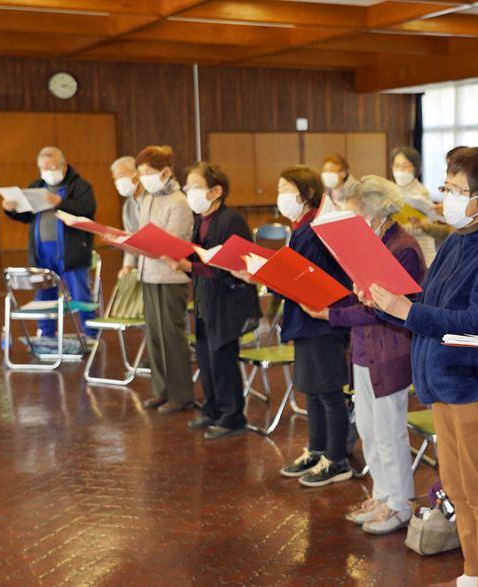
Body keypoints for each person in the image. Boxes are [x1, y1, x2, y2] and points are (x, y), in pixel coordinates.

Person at [368, 147, 478, 586]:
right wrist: (386, 304)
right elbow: (425, 306)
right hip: (445, 384)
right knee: (459, 492)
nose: (447, 197)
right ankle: (472, 574)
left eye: (457, 190)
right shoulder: (457, 241)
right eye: (446, 187)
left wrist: (406, 312)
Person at [301, 175, 426, 533]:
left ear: (374, 211)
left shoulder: (403, 247)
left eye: (357, 214)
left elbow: (386, 309)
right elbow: (363, 298)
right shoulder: (373, 242)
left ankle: (400, 504)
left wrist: (331, 314)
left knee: (389, 431)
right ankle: (382, 494)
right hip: (364, 347)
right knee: (370, 430)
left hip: (389, 351)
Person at [272, 166, 354, 487]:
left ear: (306, 193)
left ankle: (337, 458)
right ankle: (317, 449)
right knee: (312, 391)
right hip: (305, 321)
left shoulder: (317, 230)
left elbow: (312, 278)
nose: (280, 195)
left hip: (323, 322)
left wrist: (275, 276)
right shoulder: (300, 227)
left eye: (285, 188)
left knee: (330, 393)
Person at [168, 162, 261, 440]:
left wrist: (190, 267)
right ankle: (212, 409)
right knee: (206, 358)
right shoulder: (200, 219)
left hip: (228, 300)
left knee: (222, 358)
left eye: (194, 187)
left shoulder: (231, 220)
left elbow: (229, 265)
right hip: (206, 299)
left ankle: (232, 416)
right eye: (187, 187)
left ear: (216, 190)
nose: (189, 192)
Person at [3, 146, 96, 336]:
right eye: (44, 168)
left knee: (80, 293)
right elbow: (26, 216)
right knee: (44, 293)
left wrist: (61, 203)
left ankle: (90, 332)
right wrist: (11, 209)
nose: (48, 172)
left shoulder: (79, 186)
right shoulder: (36, 185)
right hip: (42, 251)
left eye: (52, 167)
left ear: (63, 166)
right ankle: (46, 333)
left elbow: (87, 208)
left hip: (72, 250)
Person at [135, 146, 195, 414]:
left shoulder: (179, 202)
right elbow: (142, 233)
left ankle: (181, 394)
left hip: (171, 277)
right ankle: (161, 390)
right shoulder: (147, 198)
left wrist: (144, 245)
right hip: (148, 273)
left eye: (148, 173)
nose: (144, 178)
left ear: (166, 172)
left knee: (172, 336)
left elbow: (175, 242)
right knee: (154, 336)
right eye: (141, 173)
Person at [392, 146, 437, 265]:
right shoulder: (390, 191)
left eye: (405, 166)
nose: (400, 170)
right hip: (400, 250)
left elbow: (429, 225)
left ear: (415, 168)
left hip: (422, 252)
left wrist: (398, 227)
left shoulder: (421, 193)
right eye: (397, 166)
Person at [110, 156, 145, 278]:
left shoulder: (152, 199)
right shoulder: (128, 205)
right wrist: (127, 265)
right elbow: (129, 236)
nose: (118, 182)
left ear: (137, 174)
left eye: (121, 175)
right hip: (140, 265)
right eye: (115, 179)